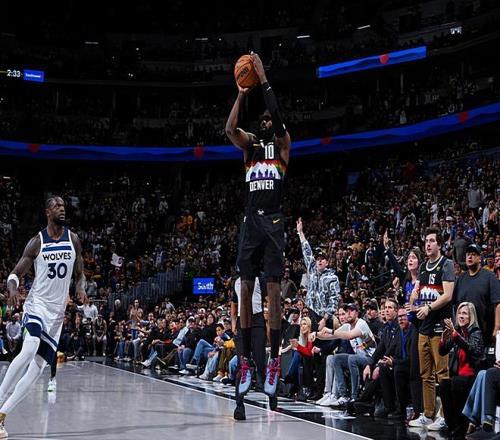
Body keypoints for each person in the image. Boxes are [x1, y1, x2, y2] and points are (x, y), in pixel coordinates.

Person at [225, 51, 291, 419]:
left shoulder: (282, 146)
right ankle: (246, 361)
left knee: (274, 294)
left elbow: (278, 118)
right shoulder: (250, 148)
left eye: (269, 118)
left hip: (275, 222)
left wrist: (263, 78)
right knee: (245, 292)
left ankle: (274, 360)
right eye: (262, 118)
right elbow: (229, 130)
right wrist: (240, 93)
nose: (266, 121)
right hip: (251, 221)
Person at [0, 196, 86, 438]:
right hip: (37, 305)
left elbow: (80, 273)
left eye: (63, 206)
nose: (62, 209)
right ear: (48, 212)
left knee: (38, 368)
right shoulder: (37, 242)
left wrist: (80, 287)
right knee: (29, 348)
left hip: (57, 315)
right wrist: (13, 289)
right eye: (57, 206)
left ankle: (2, 416)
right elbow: (14, 273)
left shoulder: (73, 239)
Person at [408, 227, 455, 428]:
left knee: (442, 373)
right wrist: (413, 298)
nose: (428, 244)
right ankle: (427, 414)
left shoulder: (446, 264)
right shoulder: (424, 266)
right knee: (425, 374)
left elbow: (448, 295)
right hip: (424, 328)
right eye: (426, 241)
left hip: (440, 326)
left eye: (432, 241)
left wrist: (428, 308)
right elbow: (416, 293)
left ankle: (444, 416)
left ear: (439, 244)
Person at [438, 302, 484, 439]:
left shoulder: (476, 332)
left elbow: (473, 350)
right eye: (459, 313)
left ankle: (460, 426)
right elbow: (443, 351)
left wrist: (455, 335)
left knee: (457, 383)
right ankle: (452, 425)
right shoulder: (457, 331)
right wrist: (443, 338)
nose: (461, 316)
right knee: (443, 385)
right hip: (458, 376)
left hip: (471, 377)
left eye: (464, 313)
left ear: (471, 317)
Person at [296, 217, 341, 328]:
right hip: (310, 312)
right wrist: (300, 232)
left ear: (327, 262)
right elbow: (306, 251)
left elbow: (334, 299)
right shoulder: (312, 269)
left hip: (324, 316)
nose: (319, 261)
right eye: (318, 259)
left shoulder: (332, 277)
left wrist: (325, 319)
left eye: (322, 259)